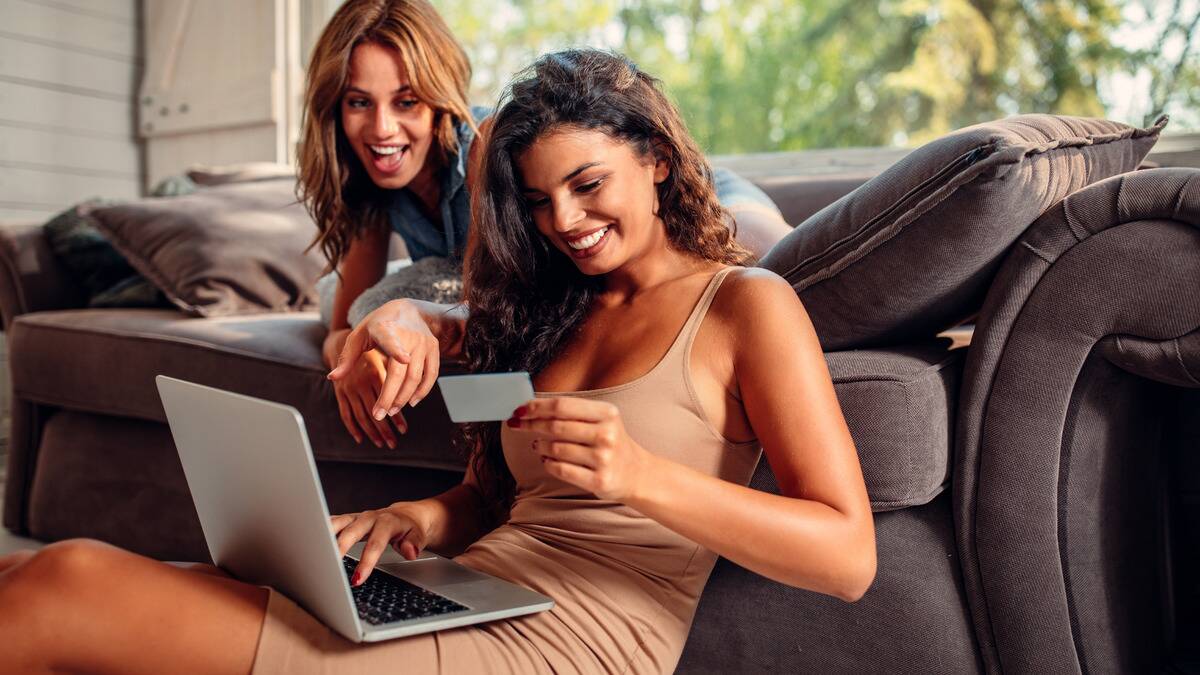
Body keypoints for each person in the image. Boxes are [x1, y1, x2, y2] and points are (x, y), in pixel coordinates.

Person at [0, 49, 872, 675]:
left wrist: (642, 476)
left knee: (71, 583)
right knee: (32, 571)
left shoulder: (747, 305)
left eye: (588, 184)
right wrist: (419, 514)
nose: (563, 220)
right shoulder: (557, 305)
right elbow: (504, 499)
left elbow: (846, 555)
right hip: (476, 588)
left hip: (573, 640)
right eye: (537, 200)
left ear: (654, 160)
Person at [297, 0, 794, 451]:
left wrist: (398, 322)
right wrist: (355, 354)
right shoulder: (367, 184)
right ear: (335, 108)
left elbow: (486, 317)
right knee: (357, 301)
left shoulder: (484, 147)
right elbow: (343, 326)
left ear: (440, 96)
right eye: (359, 102)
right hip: (566, 220)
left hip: (693, 192)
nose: (382, 128)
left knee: (773, 264)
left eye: (406, 102)